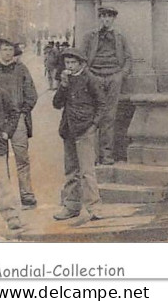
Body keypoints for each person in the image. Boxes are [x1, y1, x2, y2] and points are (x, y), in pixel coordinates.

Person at [52, 47, 103, 221]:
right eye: (67, 63)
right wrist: (63, 86)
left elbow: (102, 105)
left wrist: (94, 125)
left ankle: (94, 208)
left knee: (87, 171)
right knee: (71, 170)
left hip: (85, 129)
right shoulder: (65, 80)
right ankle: (71, 206)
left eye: (73, 62)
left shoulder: (90, 79)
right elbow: (56, 104)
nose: (70, 66)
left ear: (81, 63)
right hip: (68, 130)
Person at [0, 36, 38, 208]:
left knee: (22, 157)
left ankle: (27, 195)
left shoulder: (21, 69)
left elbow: (31, 94)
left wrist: (23, 111)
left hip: (17, 119)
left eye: (10, 49)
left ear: (14, 52)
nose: (7, 53)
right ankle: (4, 197)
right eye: (4, 49)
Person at [81, 7, 132, 165]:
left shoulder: (120, 37)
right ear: (99, 18)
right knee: (93, 115)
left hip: (113, 77)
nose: (106, 20)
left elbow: (129, 58)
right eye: (103, 17)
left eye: (109, 17)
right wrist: (90, 75)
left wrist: (121, 75)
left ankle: (107, 156)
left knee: (109, 116)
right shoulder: (90, 36)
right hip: (95, 76)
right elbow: (82, 58)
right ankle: (92, 156)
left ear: (113, 19)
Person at [0, 86, 24, 234]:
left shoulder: (0, 92)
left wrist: (7, 131)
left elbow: (14, 112)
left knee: (2, 181)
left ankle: (11, 216)